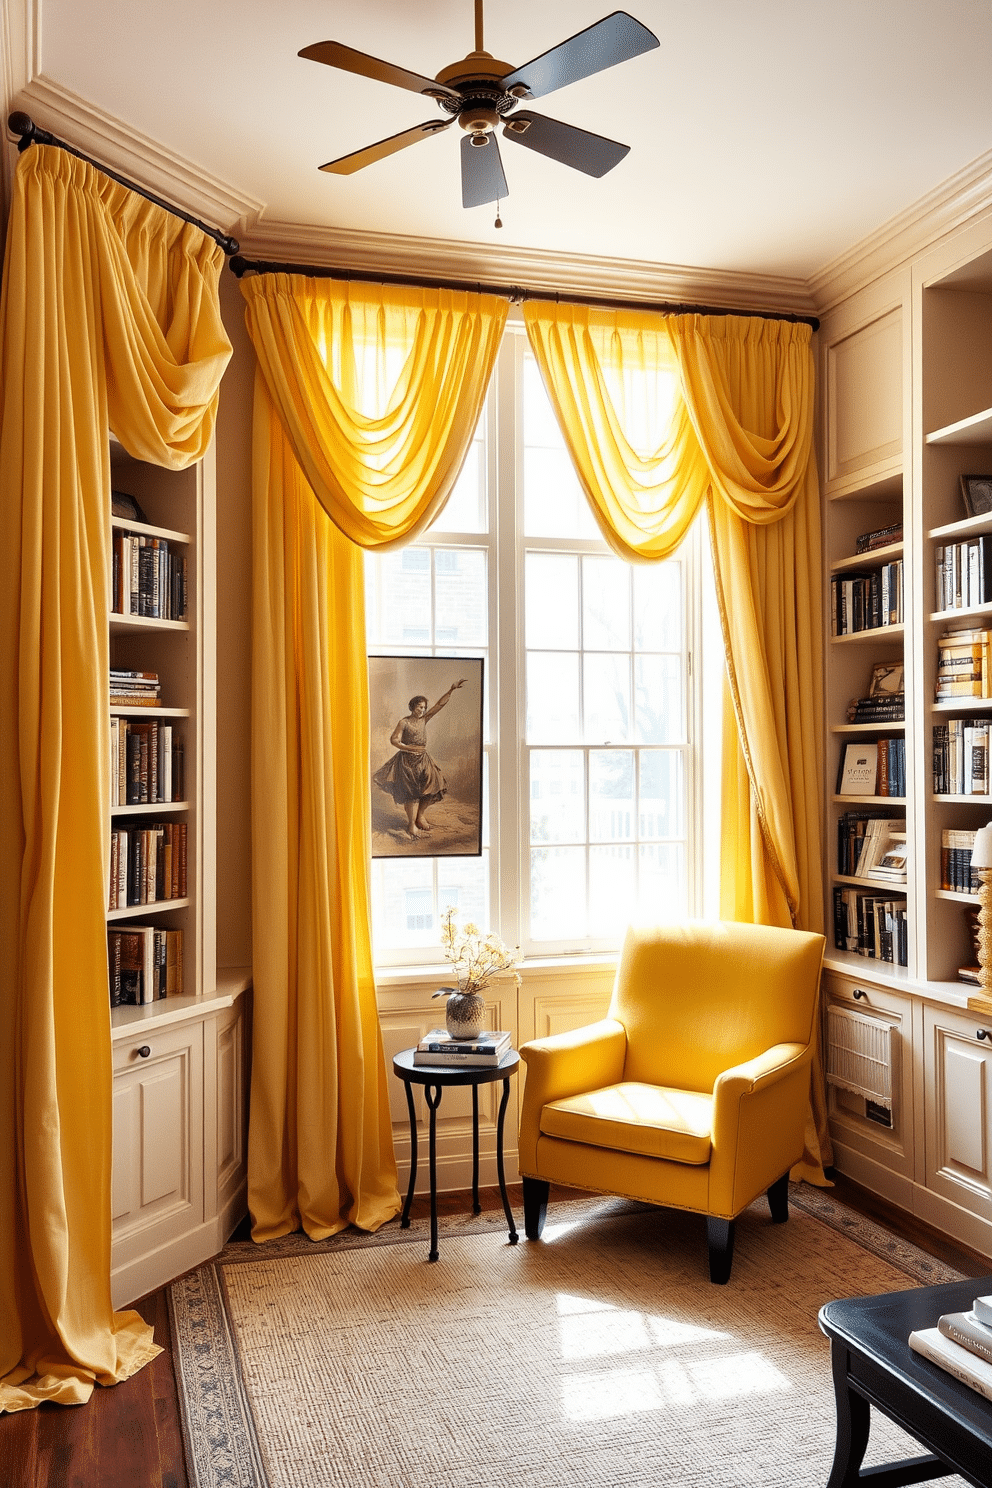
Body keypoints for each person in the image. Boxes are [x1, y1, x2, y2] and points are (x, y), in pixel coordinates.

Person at [373, 680, 467, 837]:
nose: (422, 710)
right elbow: (394, 740)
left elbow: (439, 705)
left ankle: (420, 816)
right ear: (412, 707)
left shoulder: (424, 719)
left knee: (433, 785)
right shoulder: (404, 722)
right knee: (411, 792)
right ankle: (411, 825)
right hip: (407, 761)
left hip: (423, 759)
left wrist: (451, 690)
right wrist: (408, 747)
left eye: (424, 708)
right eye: (419, 707)